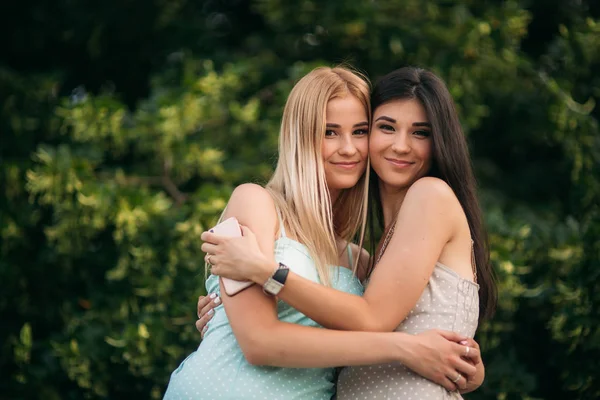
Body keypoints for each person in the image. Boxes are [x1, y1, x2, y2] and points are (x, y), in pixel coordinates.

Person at [166, 66, 482, 400]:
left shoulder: (359, 260)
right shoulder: (256, 203)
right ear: (301, 136)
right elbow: (258, 342)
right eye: (330, 132)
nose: (349, 149)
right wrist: (405, 347)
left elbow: (368, 335)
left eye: (359, 131)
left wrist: (466, 366)